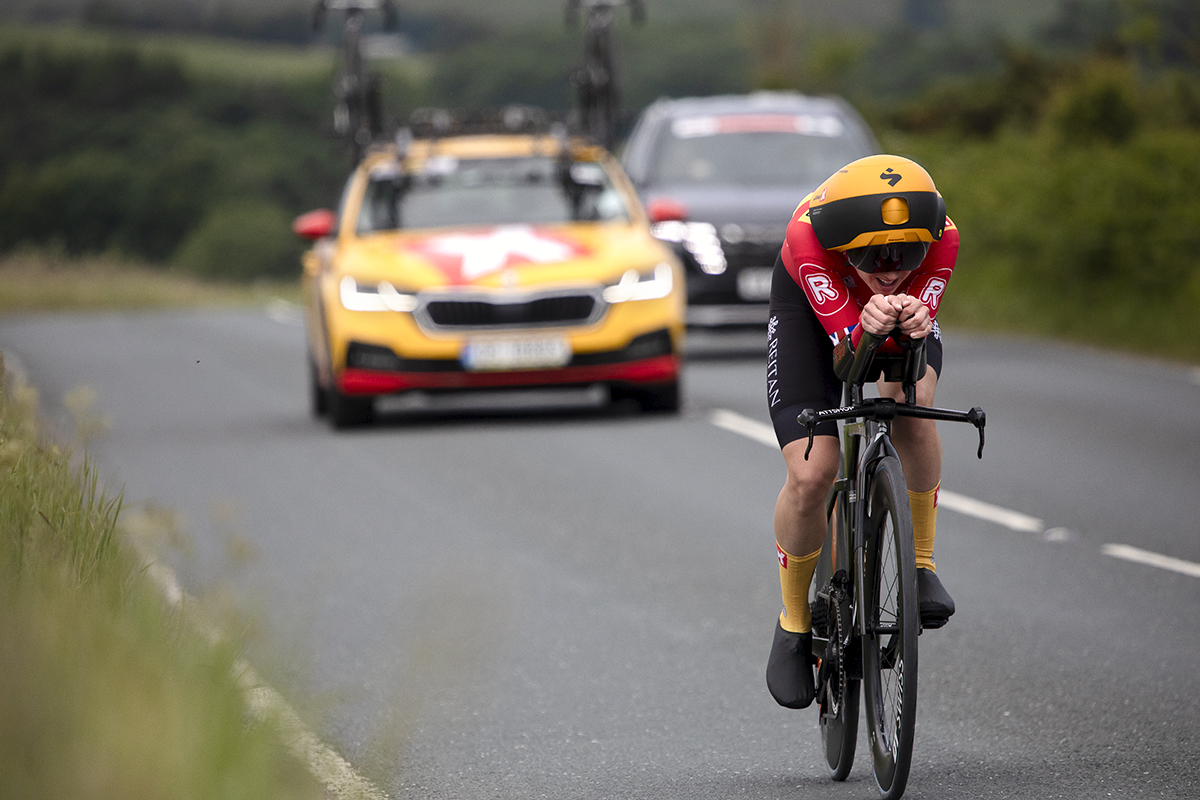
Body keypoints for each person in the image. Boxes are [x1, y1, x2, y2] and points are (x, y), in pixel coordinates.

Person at [763, 154, 959, 709]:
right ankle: (794, 622)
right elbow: (852, 357)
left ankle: (920, 565)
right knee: (813, 472)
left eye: (907, 252)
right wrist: (860, 324)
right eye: (873, 255)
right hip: (814, 312)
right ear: (844, 245)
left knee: (914, 402)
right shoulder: (808, 239)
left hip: (891, 318)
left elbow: (903, 351)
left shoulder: (944, 237)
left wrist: (917, 317)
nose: (892, 266)